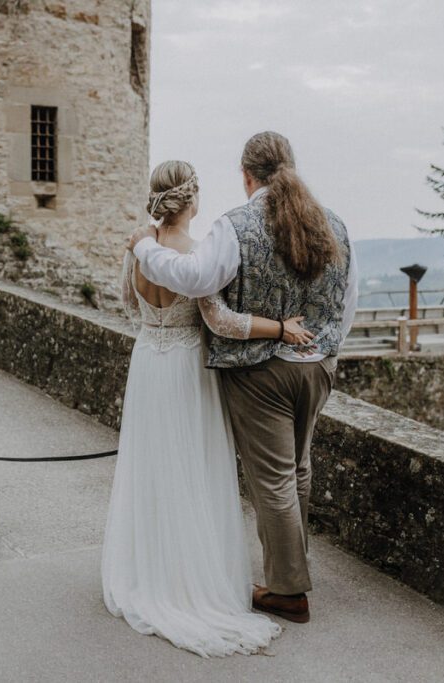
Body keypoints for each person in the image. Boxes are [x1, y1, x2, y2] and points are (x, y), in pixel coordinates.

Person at [128, 132, 358, 624]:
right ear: (290, 167)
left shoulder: (236, 226)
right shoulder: (334, 223)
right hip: (317, 366)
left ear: (246, 175)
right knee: (298, 469)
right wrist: (326, 356)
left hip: (261, 373)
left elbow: (197, 284)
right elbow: (347, 301)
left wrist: (144, 249)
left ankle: (289, 590)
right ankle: (294, 566)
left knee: (274, 479)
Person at [102, 160, 312, 657]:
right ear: (191, 202)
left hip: (148, 363)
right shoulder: (196, 256)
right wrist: (280, 327)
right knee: (193, 468)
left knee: (152, 469)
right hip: (187, 368)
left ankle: (152, 573)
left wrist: (157, 324)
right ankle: (192, 580)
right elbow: (220, 321)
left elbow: (130, 308)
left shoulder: (138, 253)